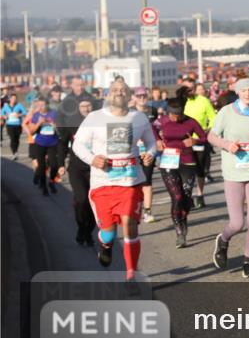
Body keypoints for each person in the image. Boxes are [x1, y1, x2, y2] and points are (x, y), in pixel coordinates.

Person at [72, 80, 157, 280]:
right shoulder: (95, 118)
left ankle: (131, 274)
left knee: (130, 225)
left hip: (130, 181)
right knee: (108, 231)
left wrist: (150, 153)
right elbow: (79, 146)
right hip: (103, 184)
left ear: (129, 96)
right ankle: (106, 244)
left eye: (123, 90)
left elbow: (151, 142)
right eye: (115, 90)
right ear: (109, 95)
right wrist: (93, 159)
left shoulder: (139, 118)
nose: (119, 93)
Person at [208, 77, 249, 278]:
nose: (248, 94)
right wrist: (228, 145)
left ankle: (248, 261)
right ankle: (224, 239)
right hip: (233, 173)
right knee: (238, 223)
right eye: (243, 90)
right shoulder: (226, 112)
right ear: (237, 92)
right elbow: (211, 136)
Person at [155, 97, 207, 248]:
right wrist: (158, 140)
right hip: (168, 162)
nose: (173, 118)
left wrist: (195, 141)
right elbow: (151, 128)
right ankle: (179, 232)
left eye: (176, 116)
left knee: (185, 198)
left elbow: (204, 137)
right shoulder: (163, 120)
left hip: (187, 161)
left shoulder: (191, 122)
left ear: (182, 114)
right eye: (171, 115)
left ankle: (183, 219)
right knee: (177, 197)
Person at [65, 99, 98, 246]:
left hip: (95, 168)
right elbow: (62, 142)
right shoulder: (72, 122)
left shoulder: (99, 122)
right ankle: (81, 228)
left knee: (93, 203)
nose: (86, 108)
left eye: (88, 105)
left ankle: (88, 231)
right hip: (76, 168)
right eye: (83, 106)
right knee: (81, 199)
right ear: (78, 108)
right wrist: (60, 163)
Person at [181, 79, 215, 209]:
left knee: (200, 170)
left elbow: (213, 117)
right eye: (185, 88)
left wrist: (208, 130)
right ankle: (186, 197)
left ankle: (200, 195)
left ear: (194, 89)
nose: (188, 91)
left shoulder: (203, 100)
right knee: (185, 170)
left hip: (200, 140)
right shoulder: (179, 101)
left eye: (190, 88)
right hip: (182, 141)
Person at [132, 87, 160, 224]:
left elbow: (156, 129)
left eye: (144, 96)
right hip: (133, 151)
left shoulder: (152, 111)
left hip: (148, 149)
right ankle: (134, 209)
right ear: (134, 97)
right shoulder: (129, 111)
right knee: (134, 181)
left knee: (147, 180)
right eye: (139, 96)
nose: (142, 98)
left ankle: (147, 211)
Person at [24, 98, 60, 195]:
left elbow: (61, 128)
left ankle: (52, 182)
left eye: (42, 105)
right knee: (42, 166)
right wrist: (39, 123)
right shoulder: (36, 115)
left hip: (53, 144)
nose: (40, 107)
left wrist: (54, 125)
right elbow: (31, 131)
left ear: (47, 105)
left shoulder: (54, 113)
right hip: (40, 144)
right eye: (39, 105)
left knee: (54, 165)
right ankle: (44, 186)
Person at [2, 93, 27, 159]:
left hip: (18, 124)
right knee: (12, 138)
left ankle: (16, 151)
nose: (13, 100)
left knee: (17, 139)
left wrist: (19, 115)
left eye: (15, 99)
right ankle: (14, 152)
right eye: (12, 98)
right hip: (9, 125)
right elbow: (2, 113)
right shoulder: (6, 106)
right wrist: (5, 116)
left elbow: (25, 113)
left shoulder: (19, 105)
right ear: (10, 99)